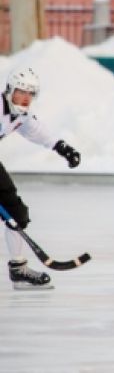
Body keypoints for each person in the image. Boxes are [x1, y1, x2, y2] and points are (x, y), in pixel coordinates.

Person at [0, 66, 80, 290]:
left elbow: (38, 131)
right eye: (21, 92)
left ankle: (19, 270)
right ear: (10, 90)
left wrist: (64, 149)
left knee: (17, 215)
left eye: (30, 94)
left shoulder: (20, 114)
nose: (25, 98)